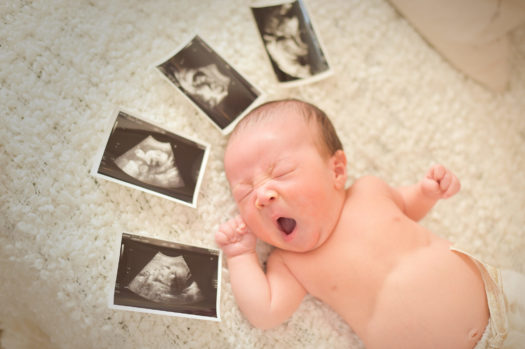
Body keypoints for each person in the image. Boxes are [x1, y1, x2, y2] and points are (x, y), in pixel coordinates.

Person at [215, 99, 523, 349]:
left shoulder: (369, 190)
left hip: (504, 304)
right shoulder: (291, 263)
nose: (262, 196)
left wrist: (428, 192)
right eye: (245, 193)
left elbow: (407, 208)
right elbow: (265, 313)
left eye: (280, 172)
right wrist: (240, 255)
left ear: (336, 171)